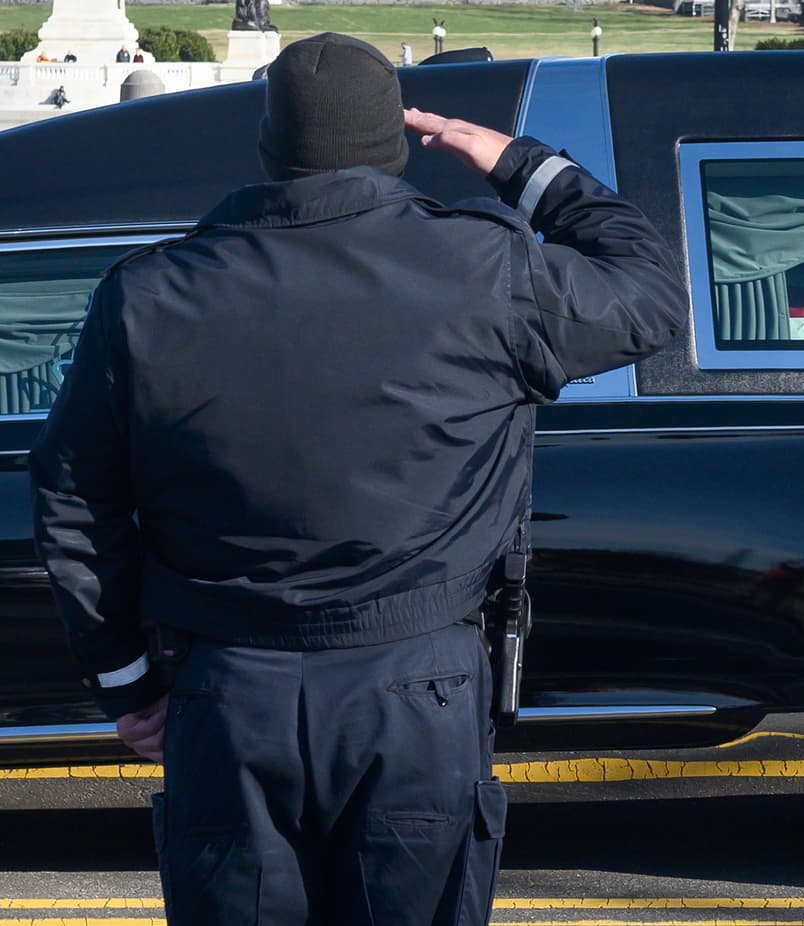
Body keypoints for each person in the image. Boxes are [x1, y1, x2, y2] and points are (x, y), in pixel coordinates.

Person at [30, 31, 685, 926]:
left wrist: (125, 682)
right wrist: (523, 166)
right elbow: (649, 292)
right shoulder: (485, 272)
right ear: (395, 141)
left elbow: (74, 497)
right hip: (416, 692)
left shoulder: (149, 294)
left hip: (226, 694)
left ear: (269, 150)